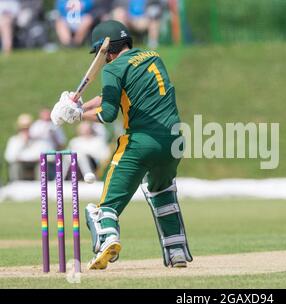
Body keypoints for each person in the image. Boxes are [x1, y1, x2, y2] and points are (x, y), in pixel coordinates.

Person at [50, 20, 192, 270]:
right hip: (174, 142)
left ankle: (108, 239)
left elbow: (107, 113)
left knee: (104, 207)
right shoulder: (152, 57)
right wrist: (79, 103)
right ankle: (177, 250)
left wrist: (77, 116)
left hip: (140, 142)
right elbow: (112, 95)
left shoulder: (113, 69)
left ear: (108, 50)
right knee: (162, 191)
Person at [4, 114, 53, 181]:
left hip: (36, 164)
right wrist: (23, 142)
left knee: (42, 165)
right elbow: (9, 157)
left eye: (28, 128)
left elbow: (49, 157)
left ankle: (42, 186)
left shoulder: (40, 140)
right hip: (21, 164)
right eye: (23, 128)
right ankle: (16, 185)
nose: (26, 131)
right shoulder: (14, 140)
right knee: (15, 166)